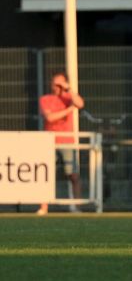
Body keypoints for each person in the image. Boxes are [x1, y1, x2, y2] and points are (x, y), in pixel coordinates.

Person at [38, 72, 85, 215]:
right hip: (49, 142)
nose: (56, 87)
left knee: (73, 175)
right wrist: (69, 109)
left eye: (60, 84)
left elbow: (80, 104)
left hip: (67, 141)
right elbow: (50, 118)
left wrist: (68, 89)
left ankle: (76, 206)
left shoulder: (68, 97)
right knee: (44, 174)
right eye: (54, 83)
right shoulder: (45, 99)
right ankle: (43, 207)